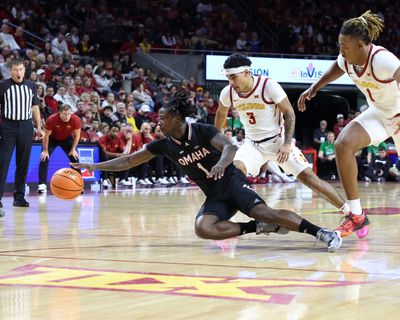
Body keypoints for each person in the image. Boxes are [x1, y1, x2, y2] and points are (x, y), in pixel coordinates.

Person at [72, 91, 342, 251]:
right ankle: (255, 228)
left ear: (177, 119)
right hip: (215, 195)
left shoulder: (202, 130)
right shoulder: (164, 145)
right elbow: (128, 161)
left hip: (233, 182)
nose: (158, 121)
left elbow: (229, 148)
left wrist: (221, 164)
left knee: (264, 209)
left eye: (163, 118)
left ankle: (320, 232)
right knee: (203, 228)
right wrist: (94, 166)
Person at [297, 10, 399, 237]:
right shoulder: (346, 58)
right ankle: (357, 216)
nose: (340, 51)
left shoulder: (383, 59)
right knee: (342, 144)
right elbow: (337, 66)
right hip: (379, 114)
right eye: (339, 45)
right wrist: (315, 87)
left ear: (361, 45)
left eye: (345, 46)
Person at [214, 53, 350, 223]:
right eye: (228, 78)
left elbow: (290, 114)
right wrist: (214, 138)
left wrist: (286, 144)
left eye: (234, 77)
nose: (231, 82)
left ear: (247, 73)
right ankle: (227, 220)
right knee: (234, 175)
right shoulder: (228, 92)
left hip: (278, 142)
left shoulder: (268, 85)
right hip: (252, 144)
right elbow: (221, 113)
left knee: (310, 179)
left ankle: (351, 214)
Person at [0, 58, 44, 208]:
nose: (18, 73)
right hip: (8, 126)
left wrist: (38, 127)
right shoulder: (3, 85)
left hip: (26, 126)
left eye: (21, 70)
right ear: (10, 71)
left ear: (24, 71)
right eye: (15, 70)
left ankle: (19, 197)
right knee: (3, 161)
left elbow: (35, 107)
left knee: (23, 162)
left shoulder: (31, 86)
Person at [37, 104, 82, 194]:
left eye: (69, 114)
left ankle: (79, 184)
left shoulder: (76, 119)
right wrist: (45, 151)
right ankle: (42, 184)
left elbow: (77, 135)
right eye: (65, 114)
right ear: (59, 113)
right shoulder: (52, 119)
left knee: (75, 158)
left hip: (67, 139)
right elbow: (46, 136)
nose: (67, 116)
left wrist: (73, 149)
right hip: (52, 139)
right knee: (44, 157)